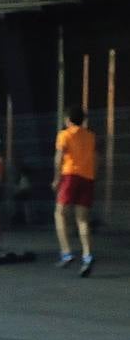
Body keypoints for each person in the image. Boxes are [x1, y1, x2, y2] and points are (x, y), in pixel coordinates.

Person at [53, 105, 96, 277]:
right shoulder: (91, 136)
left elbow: (59, 157)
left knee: (60, 213)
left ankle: (66, 252)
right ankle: (87, 255)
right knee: (82, 219)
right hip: (87, 177)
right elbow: (95, 157)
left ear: (68, 120)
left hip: (70, 175)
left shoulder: (64, 134)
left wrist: (57, 178)